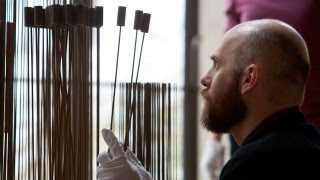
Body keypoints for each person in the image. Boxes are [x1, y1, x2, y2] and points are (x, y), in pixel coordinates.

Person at [97, 19, 320, 179]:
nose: (205, 79)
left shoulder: (257, 164)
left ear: (248, 78)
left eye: (217, 65)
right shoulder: (306, 146)